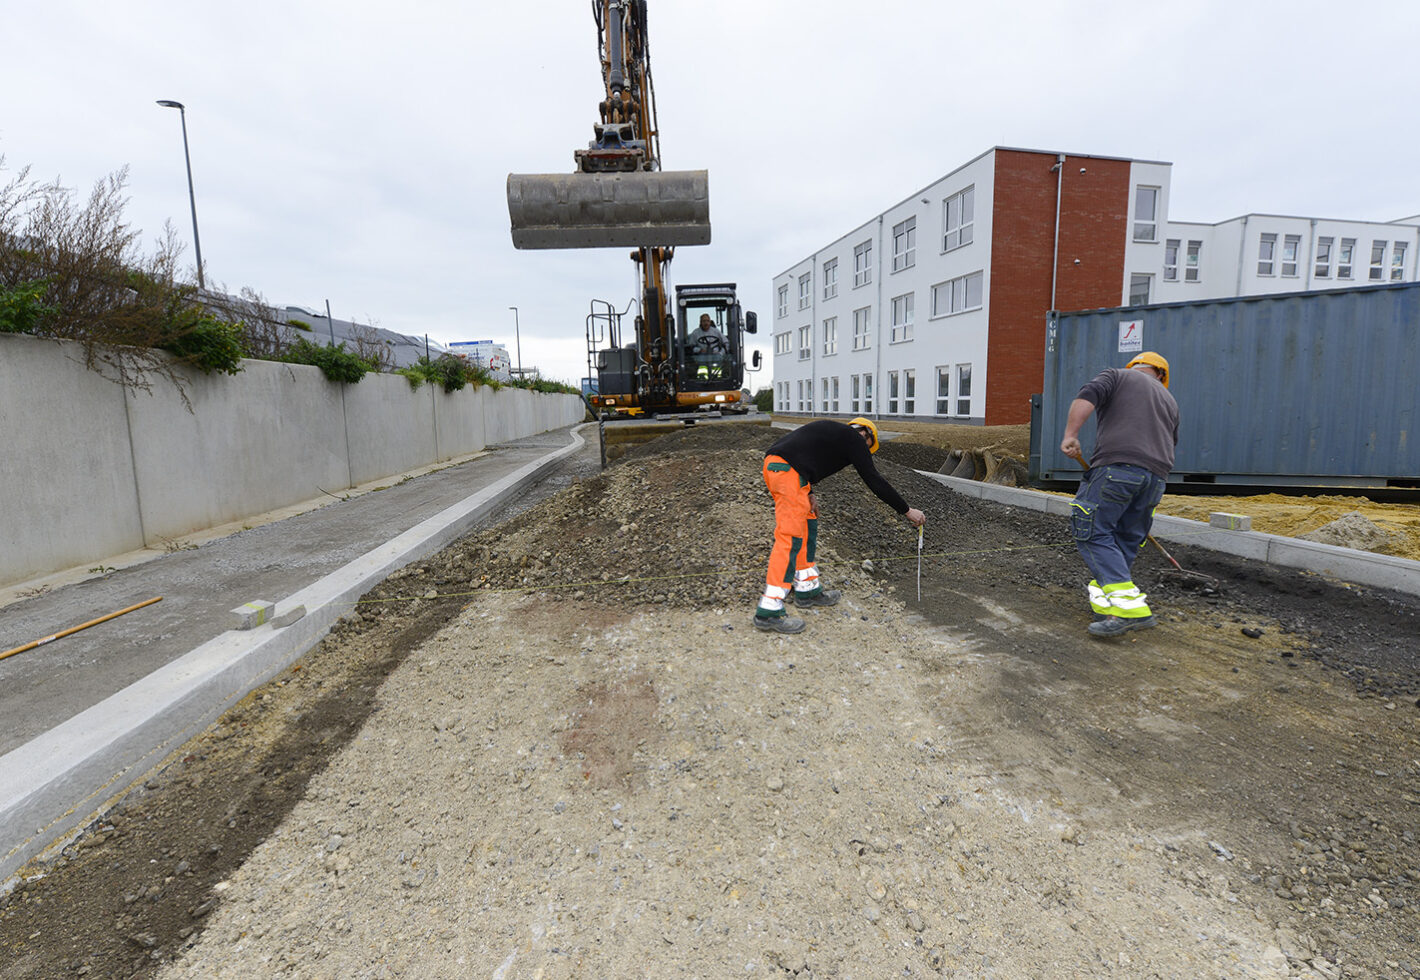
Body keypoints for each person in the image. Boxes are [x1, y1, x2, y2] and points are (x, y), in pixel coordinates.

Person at [754, 417, 927, 634]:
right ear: (866, 435)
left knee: (807, 526)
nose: (864, 452)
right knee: (790, 537)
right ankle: (769, 609)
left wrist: (809, 492)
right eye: (868, 448)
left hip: (788, 471)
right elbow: (874, 481)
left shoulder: (835, 434)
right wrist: (907, 510)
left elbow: (801, 454)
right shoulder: (854, 439)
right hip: (787, 473)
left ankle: (807, 589)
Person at [1059, 351, 1179, 638]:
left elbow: (1086, 397)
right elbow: (1172, 442)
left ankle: (1132, 610)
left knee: (1092, 531)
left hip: (1117, 469)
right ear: (1161, 375)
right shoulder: (1170, 401)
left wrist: (1070, 434)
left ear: (1136, 367)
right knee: (1126, 538)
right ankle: (1112, 608)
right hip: (1155, 478)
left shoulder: (1117, 375)